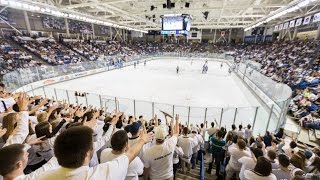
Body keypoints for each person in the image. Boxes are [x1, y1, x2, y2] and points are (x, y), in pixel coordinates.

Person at [37, 125, 152, 179]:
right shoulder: (100, 175)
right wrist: (142, 140)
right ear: (87, 153)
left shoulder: (43, 177)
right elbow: (129, 156)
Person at [142, 114, 180, 180]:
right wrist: (176, 120)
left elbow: (146, 170)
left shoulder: (148, 152)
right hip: (169, 177)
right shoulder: (171, 144)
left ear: (155, 136)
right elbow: (176, 133)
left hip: (155, 178)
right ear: (165, 136)